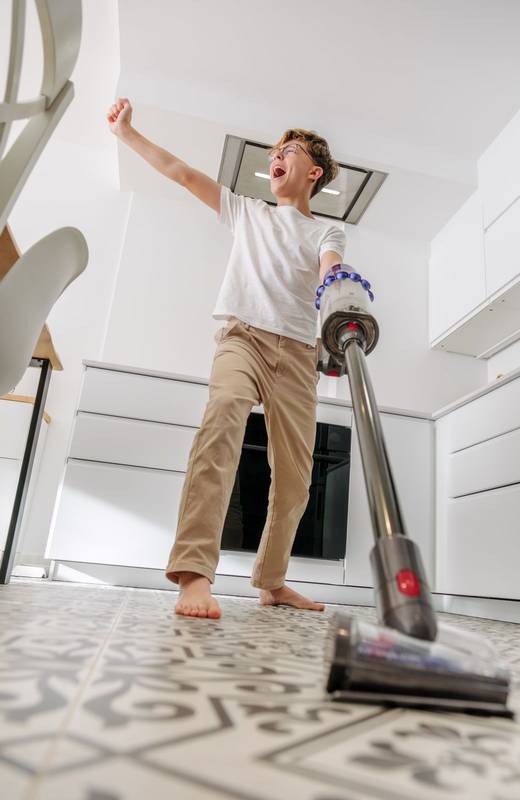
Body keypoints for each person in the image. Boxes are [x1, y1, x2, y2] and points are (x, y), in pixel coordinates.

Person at [107, 98, 346, 619]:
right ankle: (193, 573)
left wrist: (338, 283)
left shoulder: (327, 231)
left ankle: (272, 582)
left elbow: (330, 266)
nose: (277, 157)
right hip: (242, 339)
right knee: (220, 426)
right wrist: (128, 135)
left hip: (299, 356)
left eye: (290, 151)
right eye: (275, 152)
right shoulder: (247, 211)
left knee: (295, 479)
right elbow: (182, 172)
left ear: (314, 173)